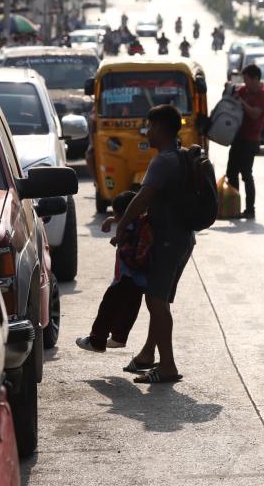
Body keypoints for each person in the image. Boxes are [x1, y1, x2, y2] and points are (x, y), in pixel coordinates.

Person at [114, 105, 195, 384]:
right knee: (157, 299)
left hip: (168, 241)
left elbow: (141, 199)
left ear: (160, 128)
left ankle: (168, 367)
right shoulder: (181, 157)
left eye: (149, 126)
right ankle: (148, 355)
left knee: (157, 302)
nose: (147, 131)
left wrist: (122, 225)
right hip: (182, 238)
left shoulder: (163, 160)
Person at [75, 190, 149, 353]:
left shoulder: (130, 227)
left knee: (107, 309)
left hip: (124, 278)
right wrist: (111, 220)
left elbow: (126, 228)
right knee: (129, 310)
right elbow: (126, 221)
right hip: (138, 280)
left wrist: (117, 235)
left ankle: (97, 340)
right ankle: (118, 338)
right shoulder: (140, 222)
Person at [225, 64, 264, 220]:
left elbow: (254, 114)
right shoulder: (243, 91)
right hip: (237, 138)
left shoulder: (263, 95)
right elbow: (230, 100)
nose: (245, 83)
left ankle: (250, 209)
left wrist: (241, 101)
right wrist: (229, 90)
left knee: (246, 174)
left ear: (256, 79)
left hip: (250, 140)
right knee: (231, 173)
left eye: (247, 80)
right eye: (243, 80)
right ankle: (234, 207)